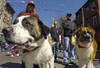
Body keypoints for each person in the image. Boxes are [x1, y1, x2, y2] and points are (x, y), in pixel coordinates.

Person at [16, 1, 40, 68]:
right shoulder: (22, 13)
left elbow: (39, 26)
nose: (31, 7)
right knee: (25, 52)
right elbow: (16, 22)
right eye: (29, 5)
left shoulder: (36, 16)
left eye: (32, 5)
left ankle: (35, 66)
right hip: (24, 37)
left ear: (34, 7)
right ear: (27, 6)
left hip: (33, 37)